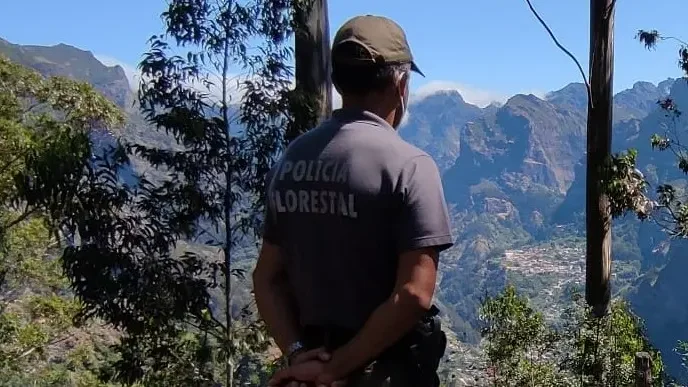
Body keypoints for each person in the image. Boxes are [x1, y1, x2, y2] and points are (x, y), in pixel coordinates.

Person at [252, 14, 454, 387]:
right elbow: (413, 294)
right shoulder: (410, 166)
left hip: (311, 370)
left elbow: (267, 278)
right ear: (401, 83)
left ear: (338, 80)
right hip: (384, 373)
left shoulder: (292, 159)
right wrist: (339, 367)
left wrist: (301, 356)